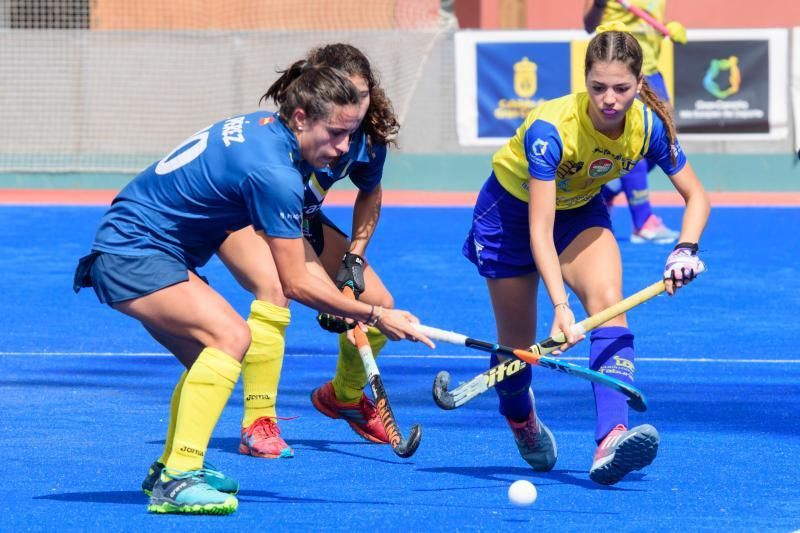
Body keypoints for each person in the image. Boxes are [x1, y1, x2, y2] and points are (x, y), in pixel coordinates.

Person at [73, 65, 433, 515]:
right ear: (301, 118)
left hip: (142, 247)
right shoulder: (273, 172)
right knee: (231, 337)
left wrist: (345, 300)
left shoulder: (263, 129)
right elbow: (295, 282)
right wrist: (375, 315)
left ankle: (171, 466)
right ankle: (178, 479)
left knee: (207, 357)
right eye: (337, 134)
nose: (344, 148)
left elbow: (302, 266)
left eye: (351, 134)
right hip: (135, 253)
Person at [462, 26, 710, 485]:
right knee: (519, 351)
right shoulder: (551, 130)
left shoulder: (647, 125)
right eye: (598, 88)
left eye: (621, 88)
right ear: (585, 82)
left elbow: (697, 196)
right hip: (512, 217)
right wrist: (560, 307)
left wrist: (684, 249)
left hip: (578, 212)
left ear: (639, 84)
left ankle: (611, 437)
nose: (609, 99)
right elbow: (539, 229)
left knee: (608, 304)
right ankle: (520, 417)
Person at [214, 44, 402, 459]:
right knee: (275, 289)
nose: (354, 106)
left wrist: (353, 259)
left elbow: (370, 192)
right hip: (243, 218)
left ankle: (345, 396)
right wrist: (329, 294)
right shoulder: (296, 136)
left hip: (299, 220)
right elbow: (295, 266)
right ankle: (257, 422)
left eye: (363, 94)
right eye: (344, 94)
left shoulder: (363, 139)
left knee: (379, 302)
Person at [583, 0, 687, 244]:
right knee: (634, 145)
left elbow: (645, 19)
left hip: (650, 70)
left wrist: (666, 29)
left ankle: (606, 191)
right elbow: (589, 25)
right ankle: (643, 222)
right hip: (619, 74)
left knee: (663, 142)